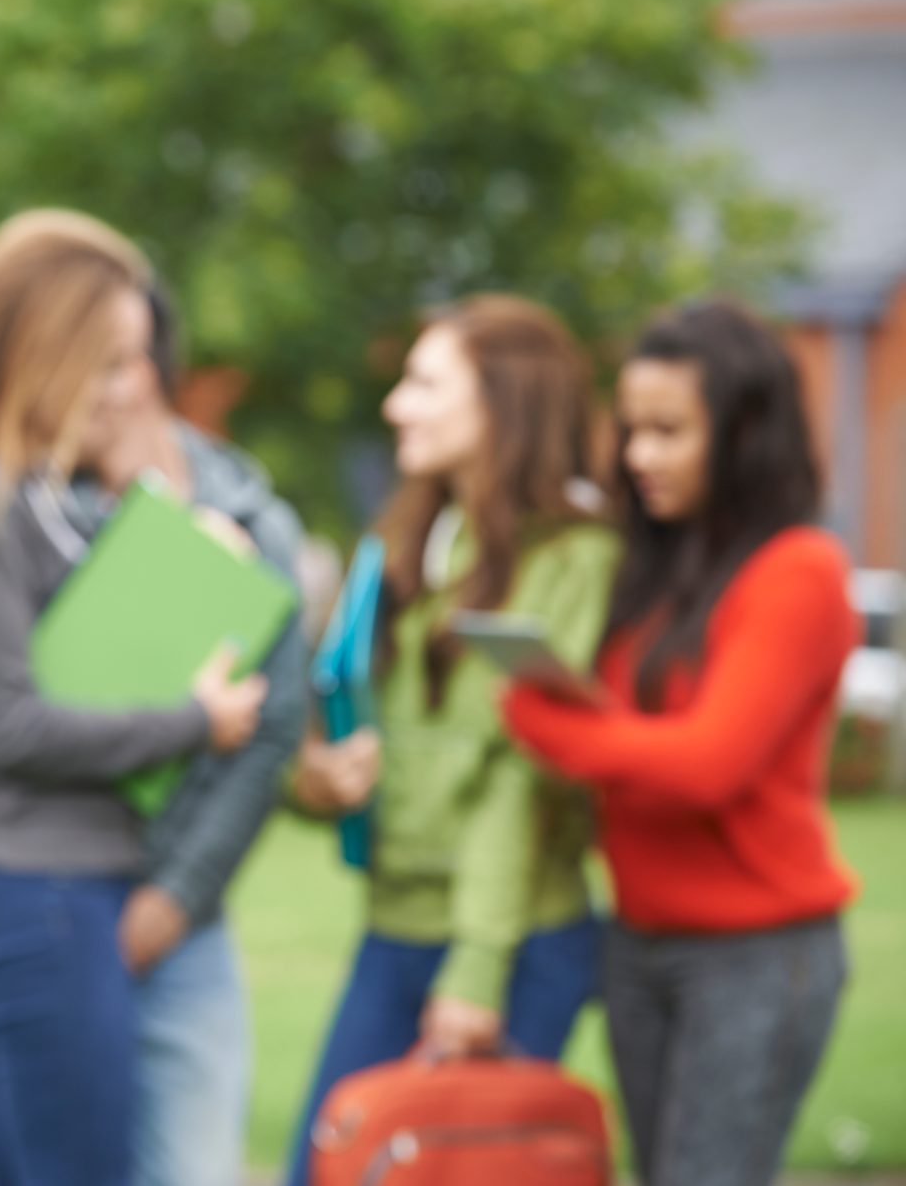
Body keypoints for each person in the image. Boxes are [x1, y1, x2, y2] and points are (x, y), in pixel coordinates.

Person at [0, 210, 271, 1186]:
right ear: (42, 350)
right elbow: (11, 722)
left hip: (55, 885)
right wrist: (195, 721)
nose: (128, 390)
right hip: (29, 887)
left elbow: (93, 660)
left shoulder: (42, 491)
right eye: (107, 360)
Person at [504, 299, 857, 1186]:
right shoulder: (654, 569)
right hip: (639, 939)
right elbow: (644, 744)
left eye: (668, 431)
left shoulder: (799, 570)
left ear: (742, 433)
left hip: (755, 955)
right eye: (630, 430)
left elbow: (706, 764)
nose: (638, 457)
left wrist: (551, 723)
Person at [284, 295, 618, 1186]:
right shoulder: (409, 541)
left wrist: (477, 965)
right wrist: (312, 782)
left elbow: (522, 776)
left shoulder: (574, 557)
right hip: (392, 926)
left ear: (504, 400)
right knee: (322, 1168)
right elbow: (358, 717)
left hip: (512, 944)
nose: (397, 404)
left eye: (425, 382)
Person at [51, 284, 309, 1186]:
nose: (98, 390)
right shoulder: (33, 515)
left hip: (184, 922)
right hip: (49, 904)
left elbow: (275, 730)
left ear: (154, 370)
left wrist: (177, 896)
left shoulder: (258, 521)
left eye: (116, 363)